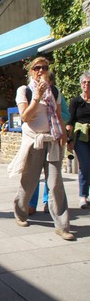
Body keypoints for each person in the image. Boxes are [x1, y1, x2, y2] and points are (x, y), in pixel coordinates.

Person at [7, 57, 74, 241]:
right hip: (34, 141)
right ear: (31, 71)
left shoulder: (54, 91)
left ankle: (62, 225)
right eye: (36, 68)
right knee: (29, 182)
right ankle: (20, 212)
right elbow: (25, 117)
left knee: (55, 184)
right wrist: (36, 97)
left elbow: (59, 116)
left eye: (44, 68)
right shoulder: (25, 91)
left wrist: (64, 139)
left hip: (52, 140)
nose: (40, 71)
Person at [29, 72, 71, 215]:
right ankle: (31, 204)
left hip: (54, 138)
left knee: (52, 176)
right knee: (32, 176)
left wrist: (52, 120)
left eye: (47, 82)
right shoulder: (30, 92)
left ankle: (48, 203)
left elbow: (65, 114)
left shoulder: (56, 94)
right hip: (36, 139)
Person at [66, 70, 90, 209]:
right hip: (81, 137)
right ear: (81, 84)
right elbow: (70, 119)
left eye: (89, 82)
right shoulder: (76, 101)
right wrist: (69, 138)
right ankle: (83, 196)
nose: (86, 84)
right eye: (84, 82)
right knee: (85, 165)